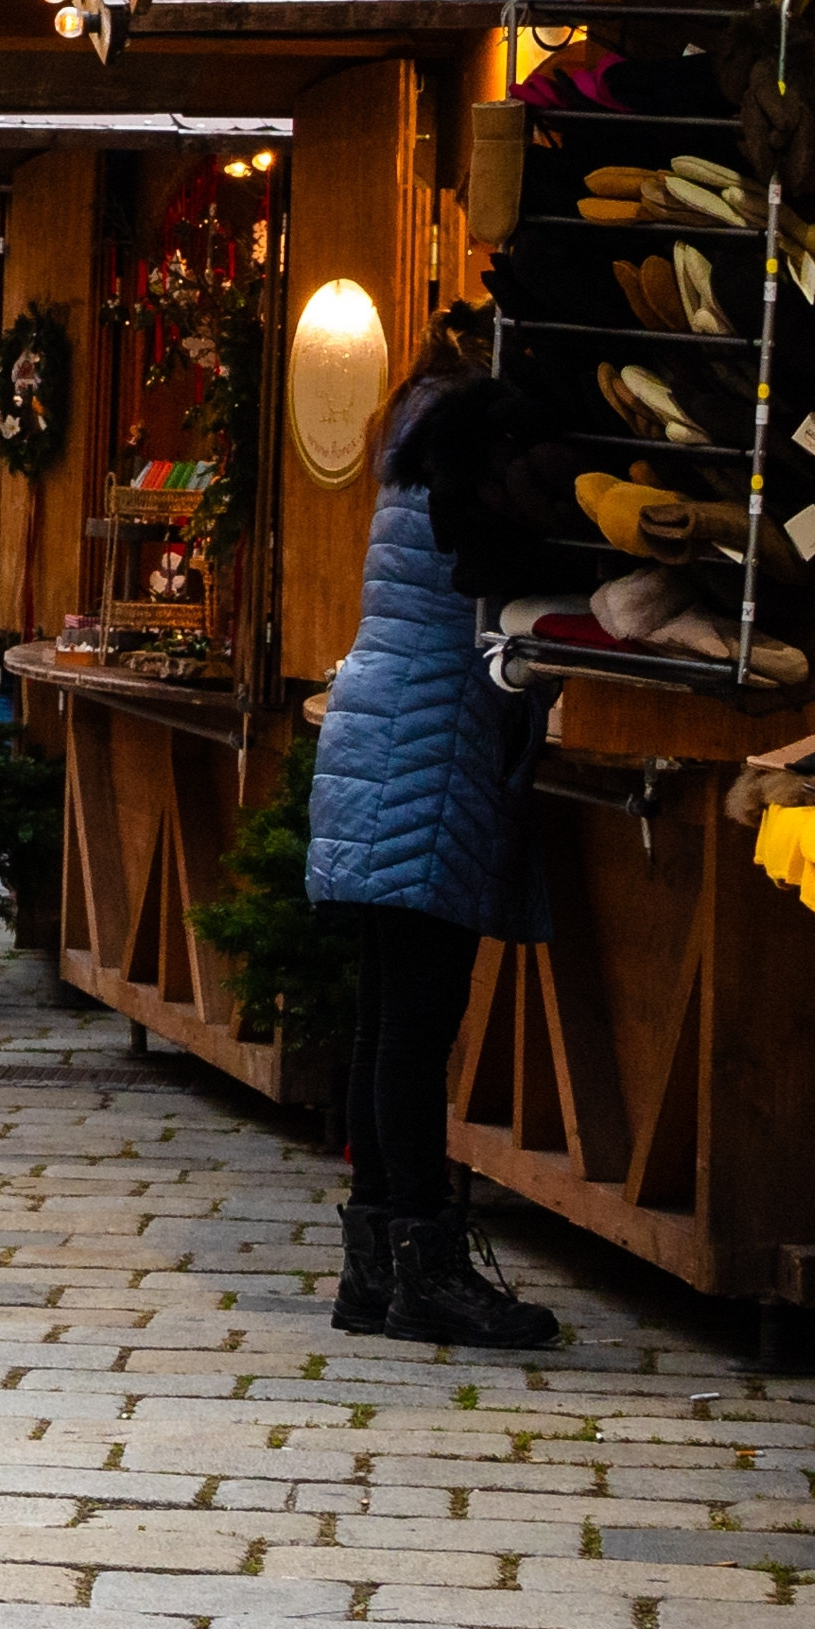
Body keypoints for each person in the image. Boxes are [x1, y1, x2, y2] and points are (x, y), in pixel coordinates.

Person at [301, 305, 572, 1353]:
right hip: (434, 736)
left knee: (386, 1020)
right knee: (415, 1024)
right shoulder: (473, 444)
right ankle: (424, 1266)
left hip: (382, 730)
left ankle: (375, 1267)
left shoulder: (412, 432)